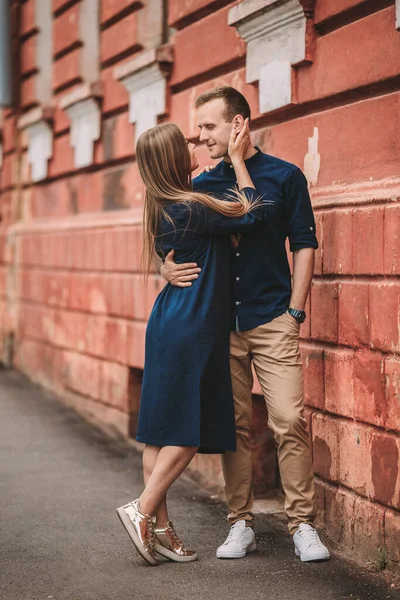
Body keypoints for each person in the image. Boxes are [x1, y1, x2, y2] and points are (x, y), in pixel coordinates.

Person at [160, 86, 331, 563]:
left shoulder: (285, 176)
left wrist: (296, 310)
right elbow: (173, 236)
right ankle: (241, 522)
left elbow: (304, 243)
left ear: (238, 124)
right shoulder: (203, 183)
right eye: (199, 128)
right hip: (219, 322)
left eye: (210, 127)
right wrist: (164, 268)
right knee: (233, 426)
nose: (201, 138)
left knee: (288, 419)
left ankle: (302, 524)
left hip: (273, 317)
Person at [116, 121, 272, 566]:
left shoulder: (162, 206)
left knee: (160, 431)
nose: (194, 143)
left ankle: (162, 533)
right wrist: (239, 161)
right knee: (188, 430)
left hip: (169, 321)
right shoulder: (192, 206)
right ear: (170, 158)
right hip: (194, 326)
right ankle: (143, 511)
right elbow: (254, 212)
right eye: (184, 141)